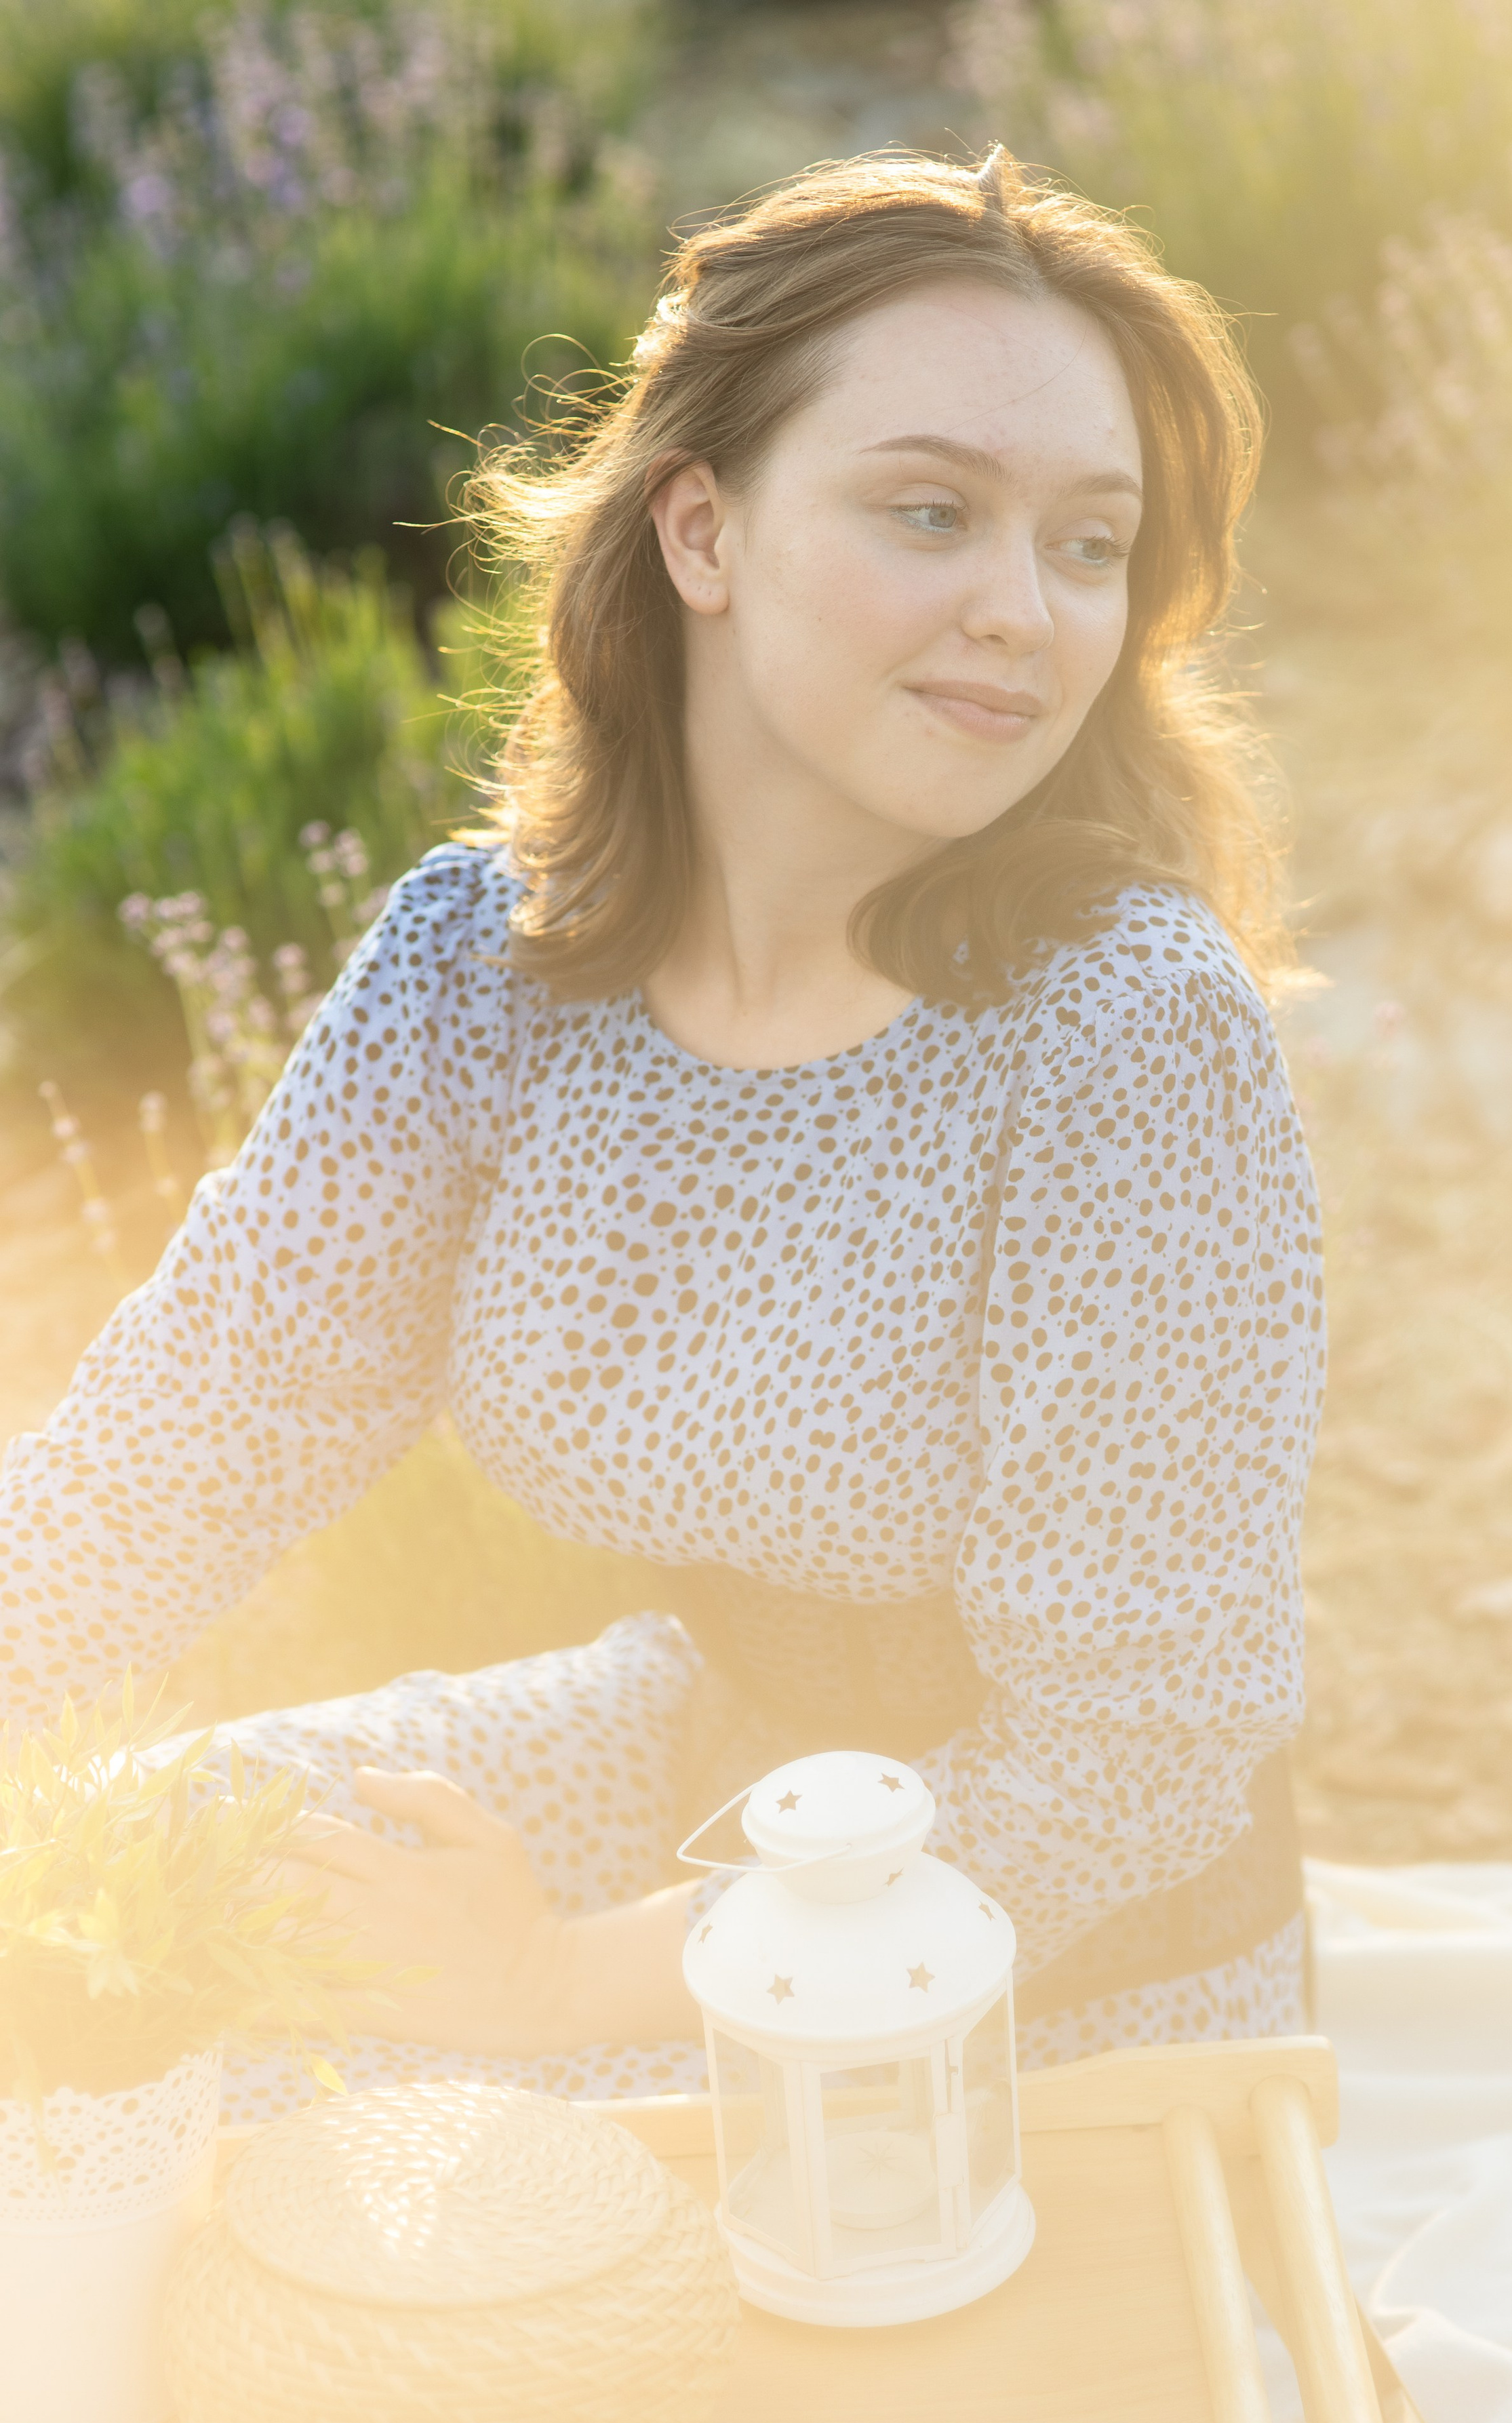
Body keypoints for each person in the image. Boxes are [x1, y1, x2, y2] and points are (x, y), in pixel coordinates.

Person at [0, 149, 1324, 2119]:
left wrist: (549, 1984)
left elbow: (1126, 1769)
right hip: (701, 1751)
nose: (1024, 614)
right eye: (931, 512)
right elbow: (195, 1428)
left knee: (279, 2131)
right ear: (701, 528)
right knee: (114, 1902)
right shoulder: (479, 957)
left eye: (1087, 544)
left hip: (1024, 1956)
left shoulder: (1128, 1035)